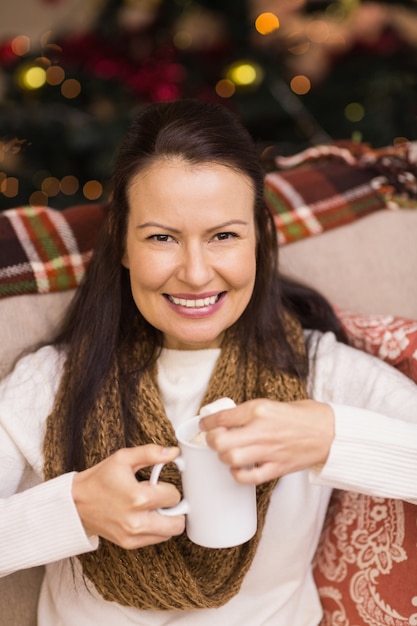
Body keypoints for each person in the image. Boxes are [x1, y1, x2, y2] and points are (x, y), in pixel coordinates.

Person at [1, 99, 416, 626]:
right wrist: (75, 508)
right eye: (162, 238)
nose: (196, 274)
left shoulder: (319, 371)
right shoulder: (52, 381)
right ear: (122, 244)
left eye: (223, 236)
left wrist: (330, 437)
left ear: (259, 239)